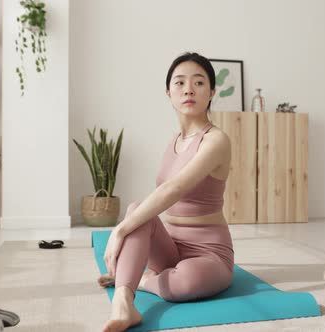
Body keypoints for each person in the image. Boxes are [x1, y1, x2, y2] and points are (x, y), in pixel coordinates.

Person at [99, 52, 233, 332]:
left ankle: (144, 279)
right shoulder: (174, 140)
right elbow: (159, 196)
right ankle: (124, 302)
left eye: (198, 83)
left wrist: (120, 230)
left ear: (211, 92)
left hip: (209, 253)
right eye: (179, 83)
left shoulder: (216, 140)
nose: (188, 89)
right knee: (137, 209)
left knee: (185, 282)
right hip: (170, 248)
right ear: (168, 93)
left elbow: (174, 189)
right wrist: (129, 223)